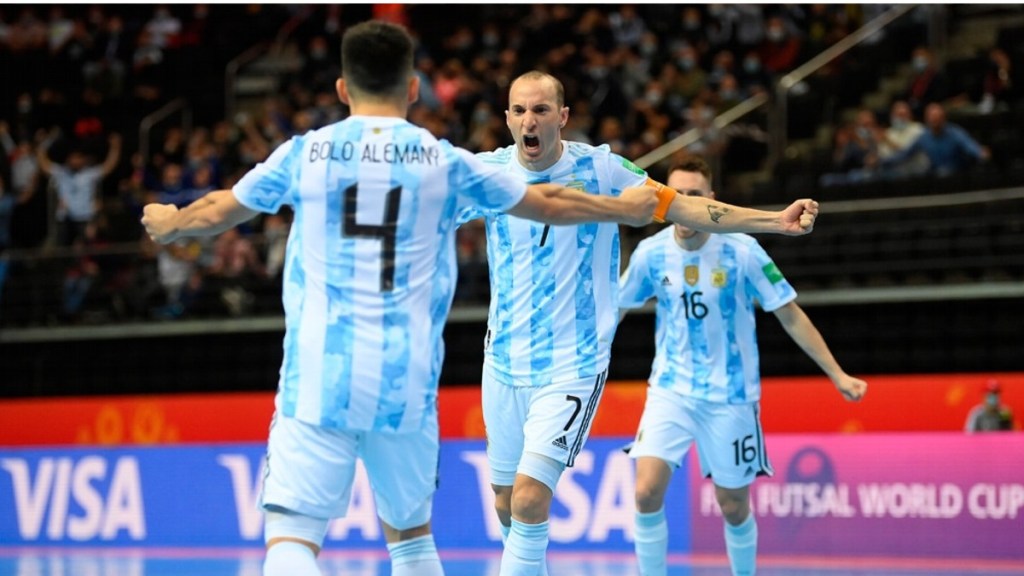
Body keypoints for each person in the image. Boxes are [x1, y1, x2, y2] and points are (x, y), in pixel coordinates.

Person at [140, 20, 662, 576]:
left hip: (321, 374)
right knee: (411, 541)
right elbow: (550, 202)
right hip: (404, 381)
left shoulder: (306, 153)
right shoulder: (443, 161)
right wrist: (620, 209)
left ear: (343, 89)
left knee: (291, 539)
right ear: (413, 89)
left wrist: (173, 222)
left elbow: (220, 210)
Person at [459, 71, 819, 576]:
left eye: (540, 110)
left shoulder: (603, 170)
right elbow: (422, 209)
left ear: (562, 118)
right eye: (519, 111)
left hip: (572, 364)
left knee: (529, 501)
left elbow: (685, 206)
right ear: (507, 119)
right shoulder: (487, 173)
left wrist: (772, 219)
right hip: (501, 363)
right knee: (505, 504)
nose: (529, 120)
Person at [619, 156, 866, 576]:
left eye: (694, 194)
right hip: (670, 390)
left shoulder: (741, 249)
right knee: (645, 493)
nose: (684, 201)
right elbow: (615, 311)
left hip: (731, 397)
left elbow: (788, 313)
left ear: (710, 199)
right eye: (676, 193)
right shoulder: (650, 253)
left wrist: (836, 372)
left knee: (733, 506)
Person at [37, 130, 122, 246]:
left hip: (85, 217)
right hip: (65, 218)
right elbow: (43, 164)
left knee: (87, 249)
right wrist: (43, 144)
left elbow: (108, 166)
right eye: (73, 157)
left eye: (78, 157)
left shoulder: (90, 174)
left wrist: (115, 148)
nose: (75, 160)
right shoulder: (62, 173)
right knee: (63, 249)